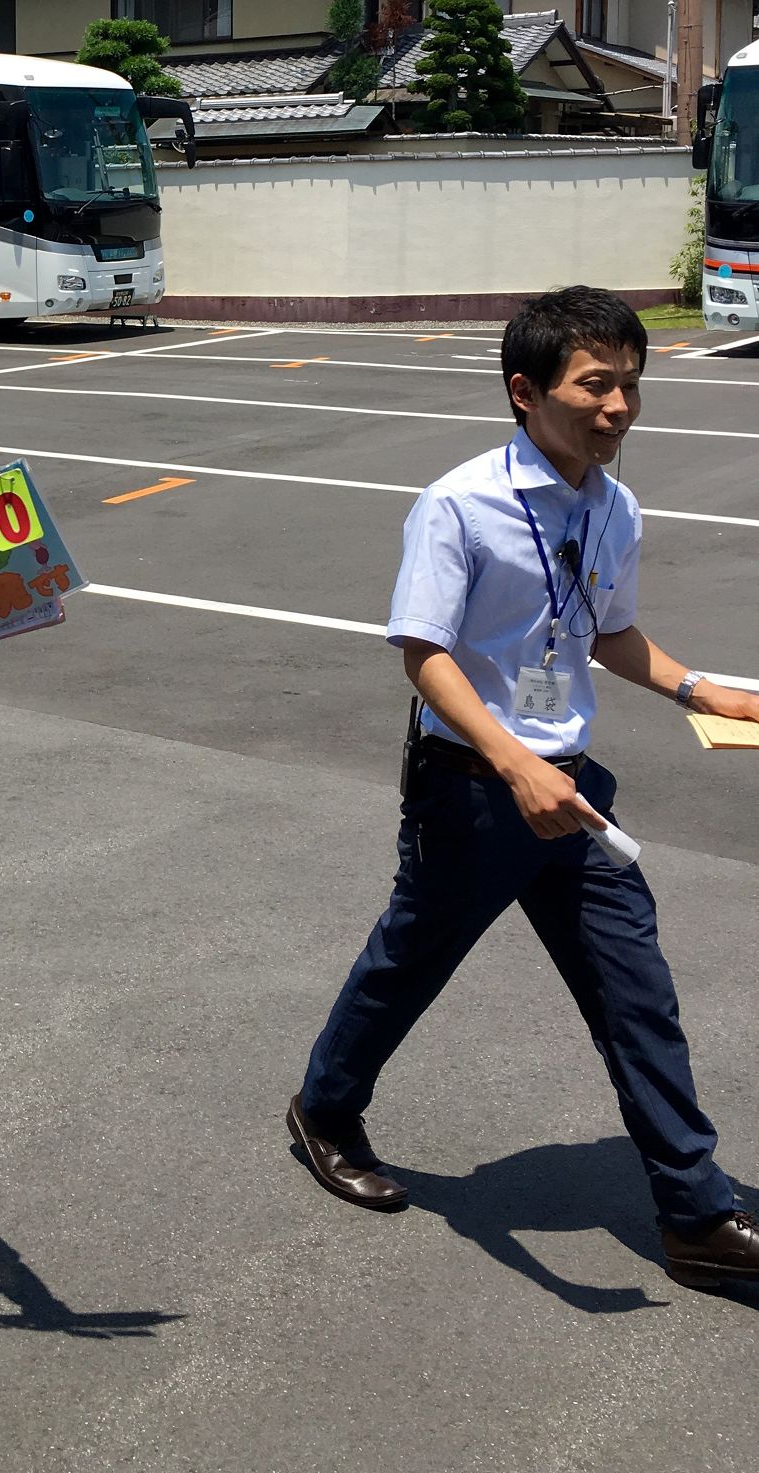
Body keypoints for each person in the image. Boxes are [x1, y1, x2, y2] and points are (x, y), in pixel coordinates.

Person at [290, 286, 759, 1292]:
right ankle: (324, 1109)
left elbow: (606, 629)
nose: (618, 406)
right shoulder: (461, 503)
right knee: (408, 961)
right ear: (524, 389)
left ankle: (696, 1212)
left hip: (572, 790)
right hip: (472, 787)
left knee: (637, 994)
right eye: (595, 384)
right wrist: (513, 761)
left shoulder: (612, 505)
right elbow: (422, 652)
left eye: (629, 384)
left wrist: (697, 684)